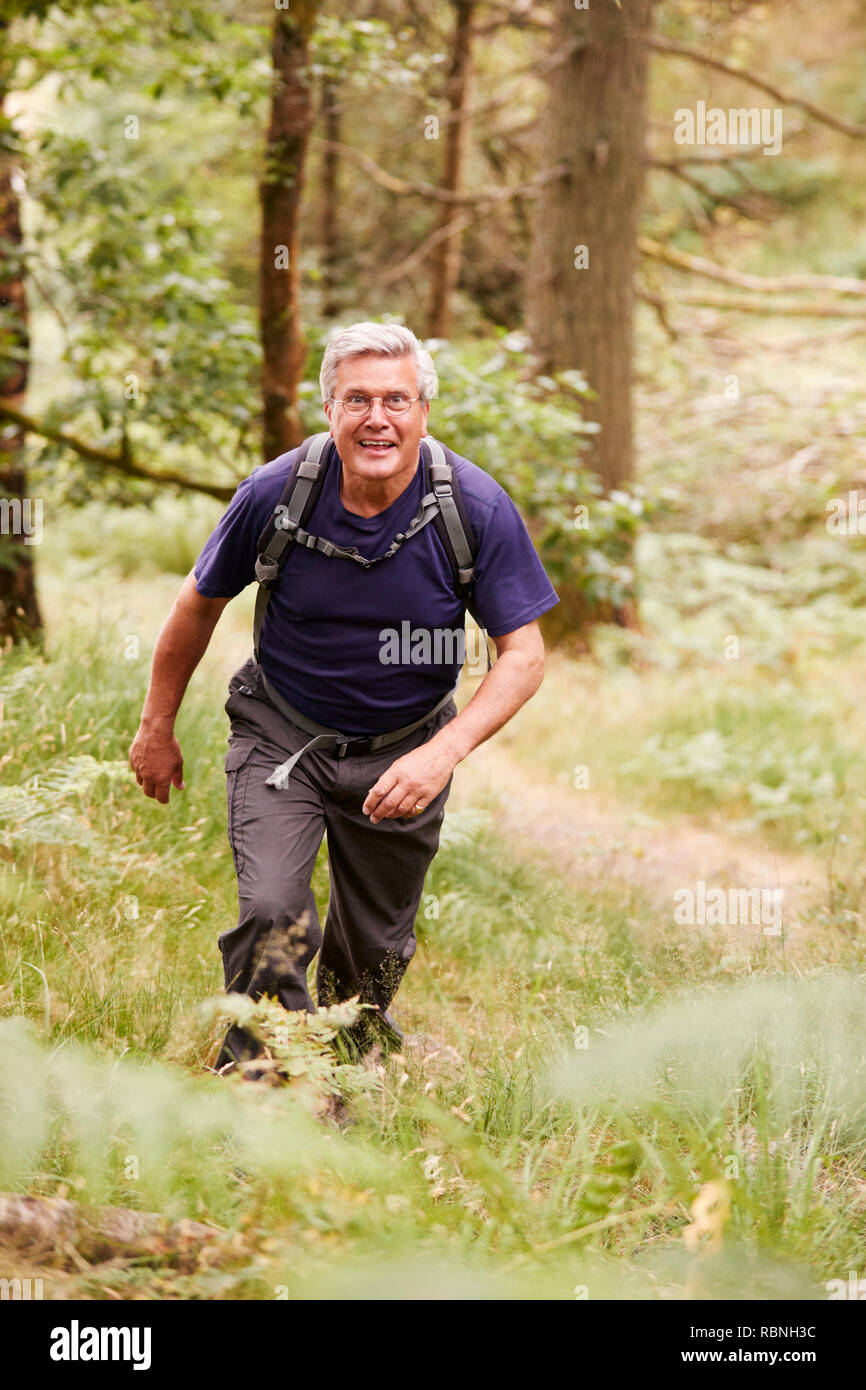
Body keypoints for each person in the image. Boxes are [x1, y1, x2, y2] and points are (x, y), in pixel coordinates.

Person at [129, 322, 559, 1069]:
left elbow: (523, 655)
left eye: (396, 399)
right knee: (270, 914)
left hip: (406, 750)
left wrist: (441, 754)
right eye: (356, 399)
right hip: (281, 734)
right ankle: (271, 1087)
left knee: (374, 957)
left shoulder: (475, 509)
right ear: (328, 409)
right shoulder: (274, 494)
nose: (377, 418)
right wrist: (155, 726)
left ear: (425, 410)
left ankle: (347, 1060)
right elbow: (196, 606)